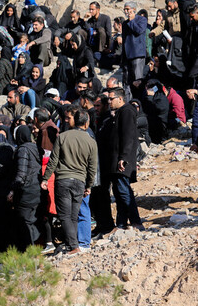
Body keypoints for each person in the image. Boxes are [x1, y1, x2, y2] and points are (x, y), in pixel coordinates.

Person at [42, 109, 97, 254]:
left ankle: (73, 246)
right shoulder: (91, 141)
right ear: (86, 123)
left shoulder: (63, 137)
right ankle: (73, 244)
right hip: (80, 181)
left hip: (63, 180)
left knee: (65, 215)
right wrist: (89, 185)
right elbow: (93, 167)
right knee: (73, 215)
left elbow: (53, 160)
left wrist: (46, 178)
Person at [107, 87, 144, 230]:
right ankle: (121, 224)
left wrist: (123, 158)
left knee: (123, 190)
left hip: (122, 161)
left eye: (112, 98)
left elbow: (128, 136)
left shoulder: (127, 111)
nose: (109, 101)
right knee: (118, 191)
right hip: (118, 159)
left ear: (120, 99)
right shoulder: (121, 112)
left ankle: (136, 221)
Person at [9, 125, 42, 248]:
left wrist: (13, 190)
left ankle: (30, 247)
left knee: (25, 220)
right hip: (37, 187)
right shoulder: (36, 147)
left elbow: (21, 173)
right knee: (31, 218)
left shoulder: (23, 149)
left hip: (27, 190)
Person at [121, 2, 148, 100]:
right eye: (125, 9)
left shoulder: (141, 20)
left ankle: (138, 102)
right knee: (127, 82)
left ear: (133, 10)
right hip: (127, 56)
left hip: (137, 54)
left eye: (128, 9)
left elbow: (139, 31)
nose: (126, 12)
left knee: (137, 81)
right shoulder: (125, 23)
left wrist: (132, 21)